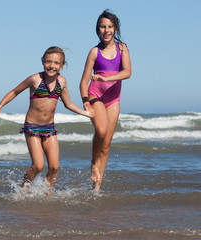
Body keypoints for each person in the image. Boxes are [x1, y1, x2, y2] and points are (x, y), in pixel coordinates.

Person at [0, 46, 94, 194]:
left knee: (54, 167)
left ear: (62, 66)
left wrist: (85, 113)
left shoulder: (62, 82)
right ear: (43, 61)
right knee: (38, 165)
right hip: (32, 127)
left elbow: (68, 103)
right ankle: (22, 191)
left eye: (56, 63)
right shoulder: (35, 79)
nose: (52, 65)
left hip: (49, 128)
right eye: (48, 61)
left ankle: (47, 194)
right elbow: (14, 92)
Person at [79, 10, 131, 191]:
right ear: (97, 29)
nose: (106, 30)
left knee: (107, 145)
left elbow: (127, 72)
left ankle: (97, 187)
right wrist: (85, 101)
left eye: (109, 26)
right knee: (101, 130)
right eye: (102, 26)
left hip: (113, 98)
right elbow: (84, 81)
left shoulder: (122, 48)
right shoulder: (94, 52)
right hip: (96, 95)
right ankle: (94, 163)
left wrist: (106, 78)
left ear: (115, 29)